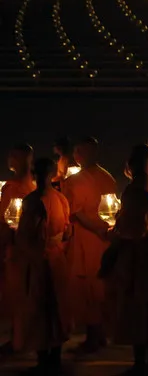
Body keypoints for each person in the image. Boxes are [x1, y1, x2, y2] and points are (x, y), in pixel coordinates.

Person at [101, 144, 148, 374]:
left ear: (130, 163)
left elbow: (131, 228)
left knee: (137, 306)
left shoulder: (135, 189)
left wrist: (112, 246)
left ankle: (141, 362)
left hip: (138, 254)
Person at [11, 157, 71, 373]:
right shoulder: (61, 199)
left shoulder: (33, 201)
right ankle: (55, 358)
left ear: (35, 174)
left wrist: (14, 237)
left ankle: (44, 361)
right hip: (57, 258)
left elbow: (26, 235)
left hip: (39, 260)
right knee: (58, 307)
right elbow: (67, 231)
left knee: (39, 309)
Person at [63, 136, 117, 353]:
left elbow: (74, 212)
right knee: (99, 286)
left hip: (88, 239)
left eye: (79, 152)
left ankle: (94, 336)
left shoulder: (75, 181)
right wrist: (105, 229)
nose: (77, 156)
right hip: (103, 237)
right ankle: (100, 333)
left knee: (88, 288)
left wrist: (95, 228)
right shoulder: (107, 177)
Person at [1, 143, 37, 352]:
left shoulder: (13, 187)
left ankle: (18, 339)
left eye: (12, 156)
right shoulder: (33, 186)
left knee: (17, 294)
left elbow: (5, 220)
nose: (9, 160)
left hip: (16, 248)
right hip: (31, 247)